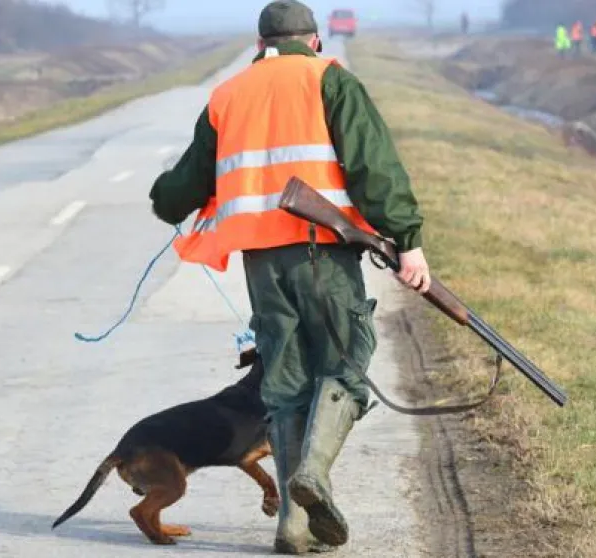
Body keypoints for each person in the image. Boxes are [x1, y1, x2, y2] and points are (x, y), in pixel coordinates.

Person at [147, 0, 430, 554]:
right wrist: (408, 240)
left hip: (262, 263)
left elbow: (185, 184)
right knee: (345, 367)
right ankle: (313, 479)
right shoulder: (330, 80)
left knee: (284, 384)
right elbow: (374, 168)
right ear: (315, 40)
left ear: (260, 46)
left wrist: (164, 199)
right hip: (323, 254)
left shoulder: (228, 95)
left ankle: (292, 528)